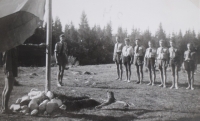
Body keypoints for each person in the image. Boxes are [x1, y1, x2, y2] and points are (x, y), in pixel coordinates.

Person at [1, 48, 17, 114]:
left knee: (6, 88)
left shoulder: (7, 47)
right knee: (9, 88)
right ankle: (5, 108)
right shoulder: (9, 49)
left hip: (8, 69)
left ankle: (3, 107)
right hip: (9, 70)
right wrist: (9, 70)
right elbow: (7, 60)